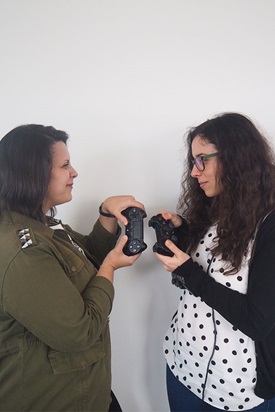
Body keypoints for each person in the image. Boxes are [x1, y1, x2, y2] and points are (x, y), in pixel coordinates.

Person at [0, 124, 145, 412]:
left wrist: (106, 214)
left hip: (88, 391)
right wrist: (111, 267)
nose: (74, 172)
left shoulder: (43, 225)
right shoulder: (23, 251)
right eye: (65, 165)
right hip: (56, 400)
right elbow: (79, 332)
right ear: (34, 174)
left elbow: (86, 257)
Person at [153, 113, 275, 411]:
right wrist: (183, 229)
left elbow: (257, 322)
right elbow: (210, 264)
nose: (195, 172)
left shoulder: (270, 225)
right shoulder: (214, 206)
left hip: (237, 391)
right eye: (193, 162)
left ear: (235, 158)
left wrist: (187, 272)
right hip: (182, 366)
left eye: (202, 160)